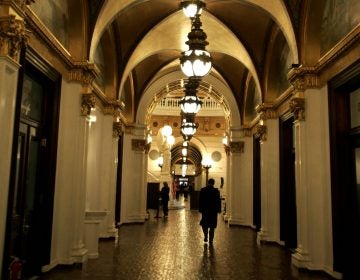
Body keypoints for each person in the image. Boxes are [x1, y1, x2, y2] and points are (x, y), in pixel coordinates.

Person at [199, 178, 222, 244]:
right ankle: (211, 240)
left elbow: (200, 200)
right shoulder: (216, 191)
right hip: (213, 211)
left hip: (205, 210)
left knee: (204, 224)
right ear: (213, 183)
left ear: (208, 182)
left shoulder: (203, 190)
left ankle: (205, 236)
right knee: (212, 225)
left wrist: (200, 209)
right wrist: (219, 210)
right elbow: (218, 201)